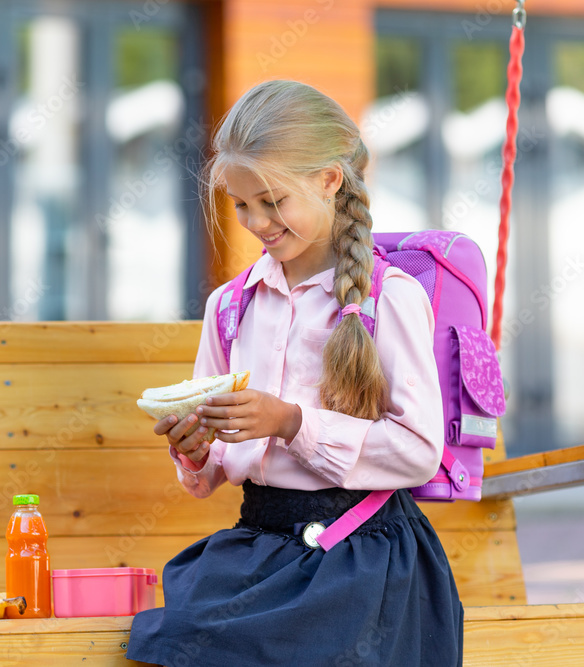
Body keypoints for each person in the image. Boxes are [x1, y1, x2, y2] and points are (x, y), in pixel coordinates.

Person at [126, 80, 463, 666]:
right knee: (175, 635)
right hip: (263, 545)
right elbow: (211, 478)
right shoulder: (231, 306)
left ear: (329, 180)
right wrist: (195, 449)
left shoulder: (390, 299)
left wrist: (289, 422)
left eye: (272, 201)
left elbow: (418, 453)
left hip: (362, 556)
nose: (256, 221)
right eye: (241, 205)